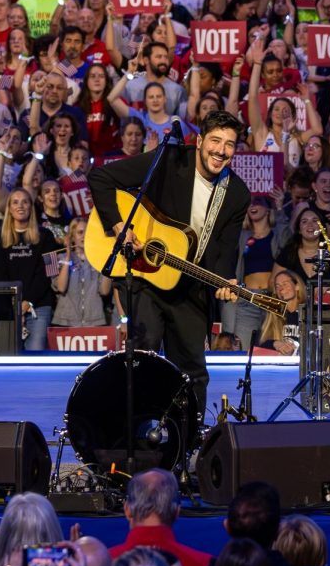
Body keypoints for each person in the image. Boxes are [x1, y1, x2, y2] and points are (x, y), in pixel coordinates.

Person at [88, 110, 250, 419]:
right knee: (142, 357)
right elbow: (101, 178)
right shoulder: (169, 160)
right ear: (200, 140)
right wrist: (120, 225)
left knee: (193, 370)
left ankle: (187, 445)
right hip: (147, 277)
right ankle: (130, 434)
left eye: (229, 144)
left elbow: (226, 249)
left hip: (190, 288)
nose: (221, 151)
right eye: (215, 141)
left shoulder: (237, 194)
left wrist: (227, 279)